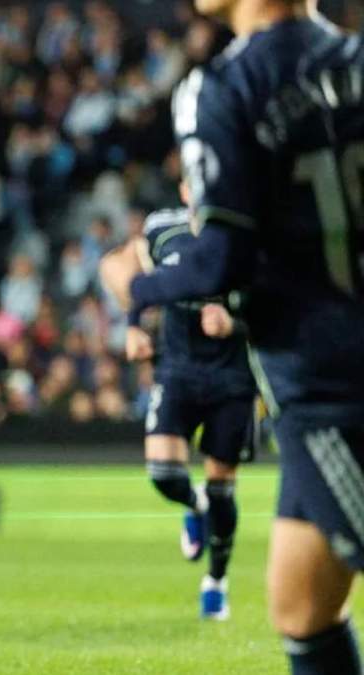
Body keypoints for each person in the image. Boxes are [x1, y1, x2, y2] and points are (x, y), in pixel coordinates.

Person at [101, 1, 364, 672]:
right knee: (302, 605)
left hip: (332, 386)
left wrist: (135, 288)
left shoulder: (224, 85)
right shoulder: (355, 61)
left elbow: (222, 258)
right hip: (316, 378)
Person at [105, 200, 257, 620]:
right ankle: (196, 507)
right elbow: (137, 275)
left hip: (234, 379)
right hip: (177, 370)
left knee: (222, 485)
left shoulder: (250, 232)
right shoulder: (162, 227)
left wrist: (235, 323)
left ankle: (216, 582)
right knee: (164, 475)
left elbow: (281, 306)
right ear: (185, 188)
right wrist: (134, 326)